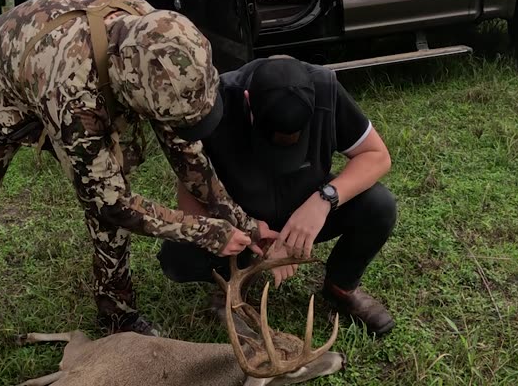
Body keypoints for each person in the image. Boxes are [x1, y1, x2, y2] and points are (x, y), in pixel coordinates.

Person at [0, 0, 275, 385]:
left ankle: (117, 314)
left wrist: (242, 221)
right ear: (131, 89)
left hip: (52, 81)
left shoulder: (159, 37)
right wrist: (205, 231)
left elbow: (186, 152)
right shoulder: (75, 91)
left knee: (109, 201)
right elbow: (112, 203)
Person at [157, 55, 398, 336]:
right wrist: (245, 233)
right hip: (243, 221)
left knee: (379, 206)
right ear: (248, 100)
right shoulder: (216, 105)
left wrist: (324, 200)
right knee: (181, 255)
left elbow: (377, 156)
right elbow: (189, 197)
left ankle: (341, 288)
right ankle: (231, 289)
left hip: (305, 214)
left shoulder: (326, 90)